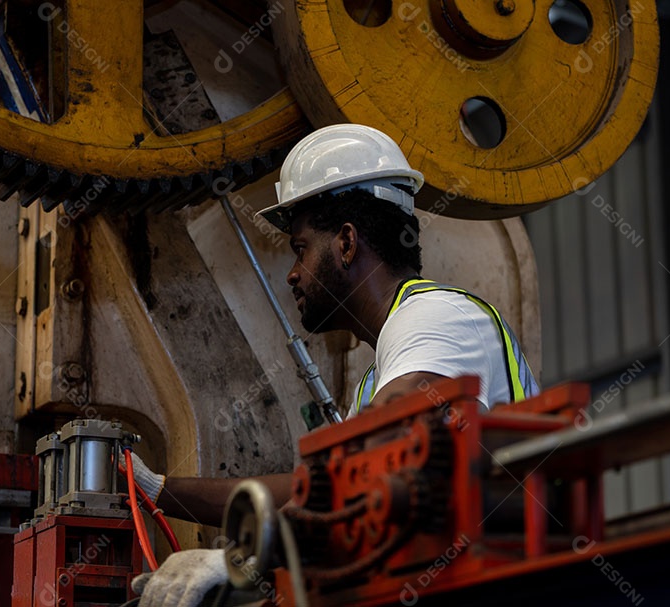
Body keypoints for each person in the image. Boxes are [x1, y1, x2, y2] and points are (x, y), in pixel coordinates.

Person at [130, 124, 539, 607]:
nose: (293, 272)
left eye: (301, 248)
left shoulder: (439, 316)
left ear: (346, 242)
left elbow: (380, 453)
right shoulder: (374, 378)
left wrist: (243, 560)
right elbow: (310, 489)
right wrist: (156, 489)